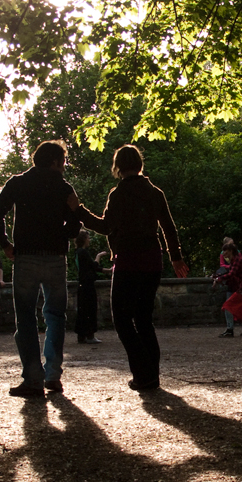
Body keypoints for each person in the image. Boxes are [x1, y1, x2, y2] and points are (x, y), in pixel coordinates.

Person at [72, 144, 188, 392]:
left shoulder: (119, 194)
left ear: (118, 167)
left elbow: (105, 227)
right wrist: (175, 258)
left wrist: (79, 211)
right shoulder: (155, 192)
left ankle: (143, 375)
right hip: (151, 260)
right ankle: (151, 377)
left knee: (123, 320)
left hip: (128, 261)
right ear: (139, 164)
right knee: (144, 320)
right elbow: (168, 227)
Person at [0, 140, 82, 398]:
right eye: (62, 161)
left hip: (26, 256)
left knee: (26, 318)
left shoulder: (17, 183)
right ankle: (53, 375)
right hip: (55, 257)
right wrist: (64, 228)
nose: (64, 165)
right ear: (54, 161)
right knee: (55, 316)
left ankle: (32, 378)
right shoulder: (63, 187)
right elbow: (75, 228)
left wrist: (6, 244)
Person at [213, 242, 242, 337]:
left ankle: (230, 330)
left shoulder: (237, 260)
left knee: (228, 306)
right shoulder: (234, 261)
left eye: (225, 251)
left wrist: (219, 279)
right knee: (238, 309)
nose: (223, 253)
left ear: (231, 251)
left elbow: (231, 274)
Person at [74, 230, 109, 344]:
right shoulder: (83, 252)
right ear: (84, 239)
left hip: (82, 285)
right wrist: (99, 256)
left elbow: (92, 267)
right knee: (90, 310)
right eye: (88, 238)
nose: (89, 240)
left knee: (82, 310)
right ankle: (90, 335)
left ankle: (82, 336)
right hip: (87, 286)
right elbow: (94, 265)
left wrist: (108, 271)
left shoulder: (78, 252)